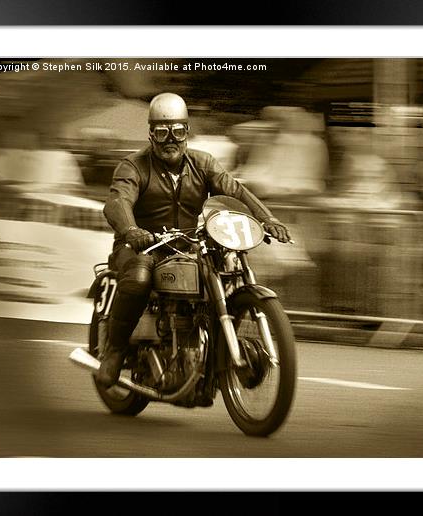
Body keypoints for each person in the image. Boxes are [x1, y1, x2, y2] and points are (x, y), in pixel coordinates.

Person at [96, 92, 292, 388]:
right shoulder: (133, 166)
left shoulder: (203, 163)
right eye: (162, 132)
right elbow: (117, 201)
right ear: (151, 133)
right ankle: (114, 350)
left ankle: (205, 347)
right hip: (141, 245)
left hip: (186, 245)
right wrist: (131, 230)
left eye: (177, 131)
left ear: (187, 132)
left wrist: (268, 218)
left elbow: (235, 191)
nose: (170, 139)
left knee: (222, 267)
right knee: (138, 277)